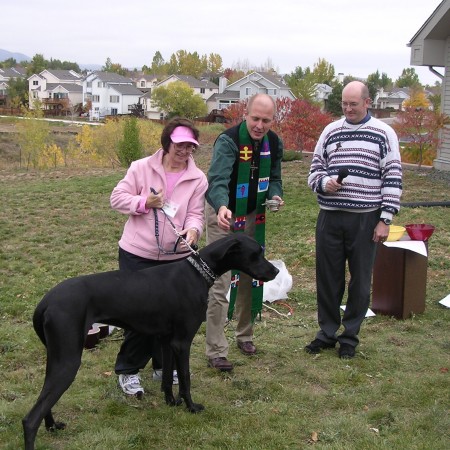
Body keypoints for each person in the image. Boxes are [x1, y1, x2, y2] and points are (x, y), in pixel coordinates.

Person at [111, 117, 208, 396]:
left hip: (174, 260)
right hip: (137, 254)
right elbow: (117, 198)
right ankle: (128, 371)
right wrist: (143, 202)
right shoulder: (141, 168)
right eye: (179, 145)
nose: (184, 151)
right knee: (138, 314)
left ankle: (163, 367)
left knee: (169, 317)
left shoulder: (198, 178)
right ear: (168, 142)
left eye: (190, 146)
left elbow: (196, 214)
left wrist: (193, 230)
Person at [306, 81, 402, 359]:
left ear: (367, 102)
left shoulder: (384, 133)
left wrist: (385, 218)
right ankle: (326, 332)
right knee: (327, 278)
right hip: (330, 217)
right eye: (344, 104)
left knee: (360, 280)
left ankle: (349, 337)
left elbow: (393, 177)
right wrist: (324, 183)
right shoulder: (330, 130)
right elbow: (314, 170)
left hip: (365, 218)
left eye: (354, 104)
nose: (348, 109)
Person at [205, 93, 284, 371]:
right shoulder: (228, 141)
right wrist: (223, 207)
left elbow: (274, 178)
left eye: (266, 120)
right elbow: (217, 180)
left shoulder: (273, 142)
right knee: (219, 281)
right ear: (245, 115)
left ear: (272, 120)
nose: (260, 126)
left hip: (253, 215)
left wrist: (275, 195)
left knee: (253, 274)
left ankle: (245, 334)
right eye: (255, 119)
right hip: (223, 214)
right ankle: (216, 349)